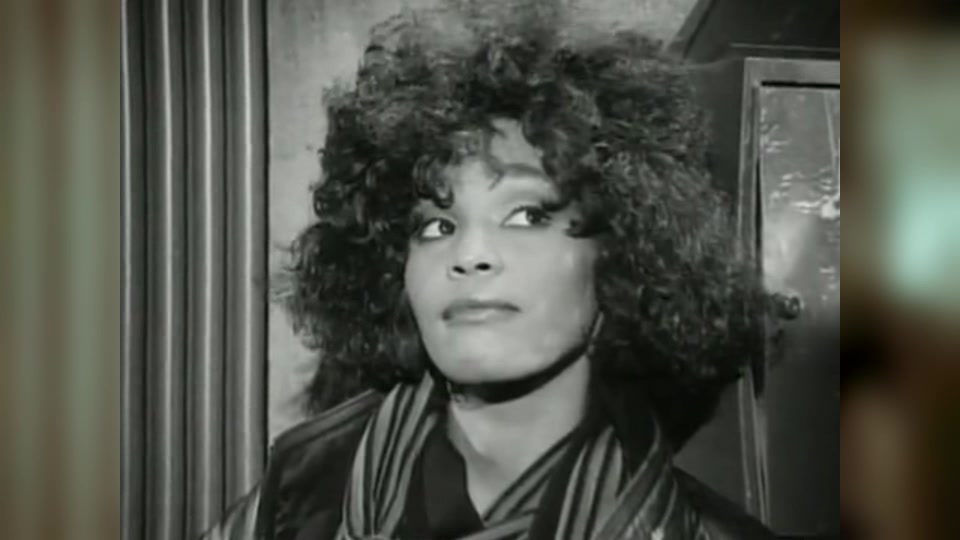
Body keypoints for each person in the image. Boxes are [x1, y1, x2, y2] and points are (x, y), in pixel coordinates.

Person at [203, 1, 774, 538]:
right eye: (436, 225)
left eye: (527, 215)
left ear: (622, 249)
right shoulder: (299, 492)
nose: (469, 253)